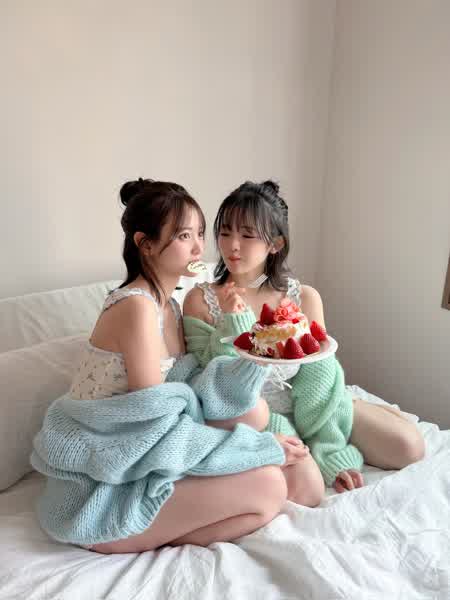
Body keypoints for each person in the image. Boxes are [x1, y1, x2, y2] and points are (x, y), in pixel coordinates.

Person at [30, 178, 316, 555]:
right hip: (105, 484)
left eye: (199, 233)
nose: (199, 247)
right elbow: (153, 431)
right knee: (270, 485)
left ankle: (178, 520)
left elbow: (199, 396)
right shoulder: (136, 308)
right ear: (145, 244)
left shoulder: (170, 307)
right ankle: (138, 535)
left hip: (144, 456)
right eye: (184, 236)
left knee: (257, 416)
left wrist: (253, 343)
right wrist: (258, 448)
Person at [183, 180, 425, 494]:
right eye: (225, 232)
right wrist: (234, 321)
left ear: (275, 244)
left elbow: (318, 373)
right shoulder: (200, 300)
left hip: (313, 405)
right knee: (307, 487)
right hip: (254, 412)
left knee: (411, 448)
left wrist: (331, 449)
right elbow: (217, 383)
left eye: (247, 235)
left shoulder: (304, 297)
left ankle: (354, 407)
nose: (233, 245)